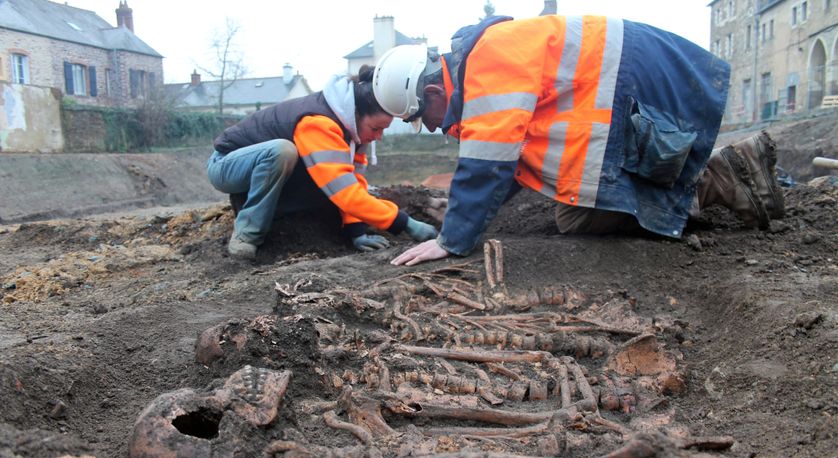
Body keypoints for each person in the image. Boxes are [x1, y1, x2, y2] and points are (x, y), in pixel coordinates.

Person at [371, 15, 785, 267]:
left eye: (423, 120)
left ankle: (723, 174)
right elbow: (508, 162)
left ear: (432, 96)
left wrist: (452, 240)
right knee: (576, 218)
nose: (434, 128)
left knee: (590, 212)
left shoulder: (487, 63)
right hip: (623, 88)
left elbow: (488, 163)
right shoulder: (483, 64)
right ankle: (713, 179)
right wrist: (466, 213)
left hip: (630, 88)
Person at [207, 66, 439, 260]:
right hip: (227, 165)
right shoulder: (318, 123)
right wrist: (405, 223)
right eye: (376, 128)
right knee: (282, 152)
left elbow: (352, 183)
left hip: (266, 170)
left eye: (383, 131)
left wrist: (356, 230)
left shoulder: (355, 133)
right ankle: (247, 233)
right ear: (357, 114)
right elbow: (345, 194)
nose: (378, 136)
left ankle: (276, 214)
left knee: (314, 179)